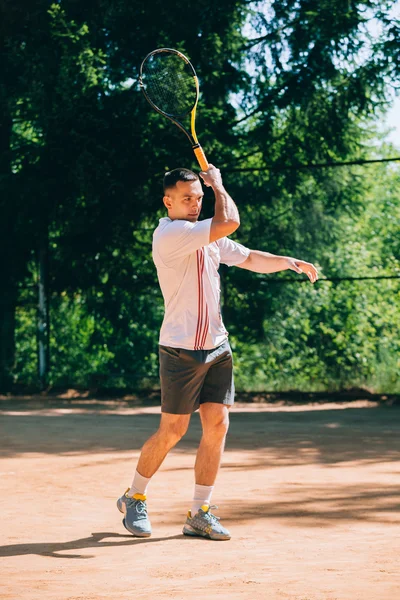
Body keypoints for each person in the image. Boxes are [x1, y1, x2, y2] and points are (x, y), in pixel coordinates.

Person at [117, 164, 318, 541]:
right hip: (180, 350)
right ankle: (134, 496)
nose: (195, 204)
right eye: (187, 199)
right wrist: (219, 185)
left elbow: (247, 256)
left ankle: (199, 512)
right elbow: (229, 223)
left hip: (217, 346)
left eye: (199, 198)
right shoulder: (172, 234)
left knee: (218, 425)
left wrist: (286, 262)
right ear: (168, 202)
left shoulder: (206, 236)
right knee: (173, 430)